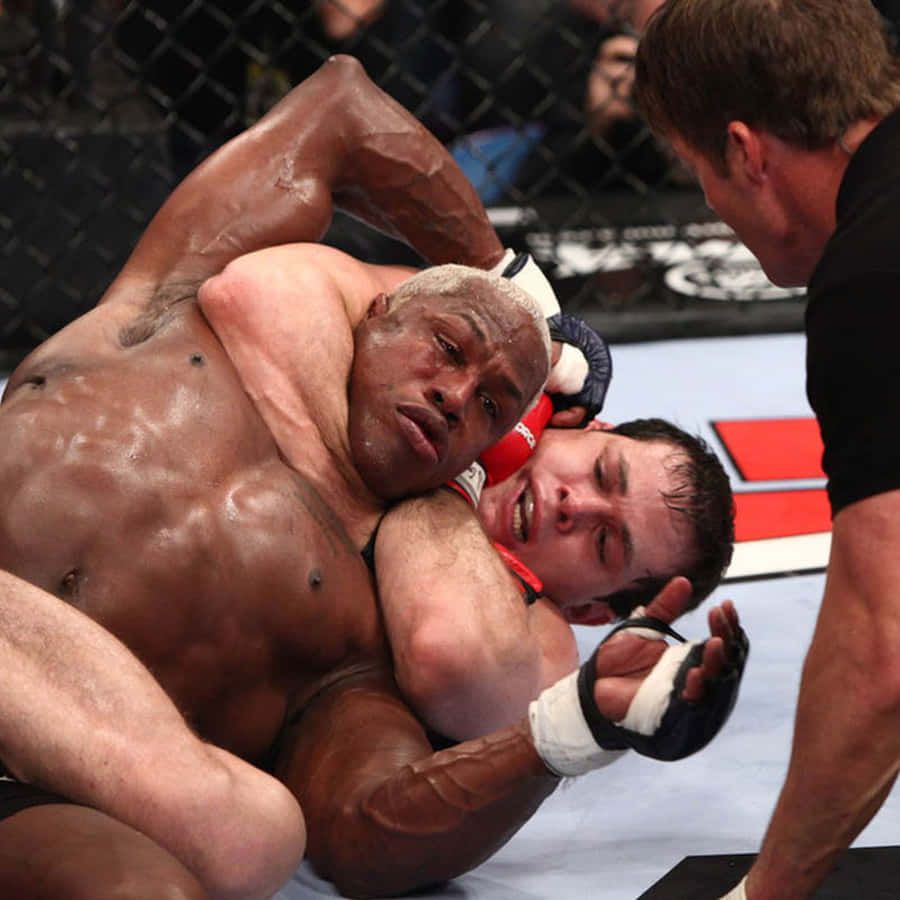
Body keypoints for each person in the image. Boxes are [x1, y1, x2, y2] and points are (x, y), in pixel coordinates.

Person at [0, 52, 738, 898]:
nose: (455, 394)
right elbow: (339, 108)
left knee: (224, 853)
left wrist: (574, 730)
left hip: (23, 781)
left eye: (606, 542)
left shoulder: (367, 651)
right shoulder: (184, 301)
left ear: (591, 610)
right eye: (447, 348)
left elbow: (363, 832)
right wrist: (518, 288)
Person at [633, 2, 900, 898]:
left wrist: (767, 890)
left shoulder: (874, 279)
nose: (709, 206)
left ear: (746, 153)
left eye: (696, 167)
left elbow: (882, 653)